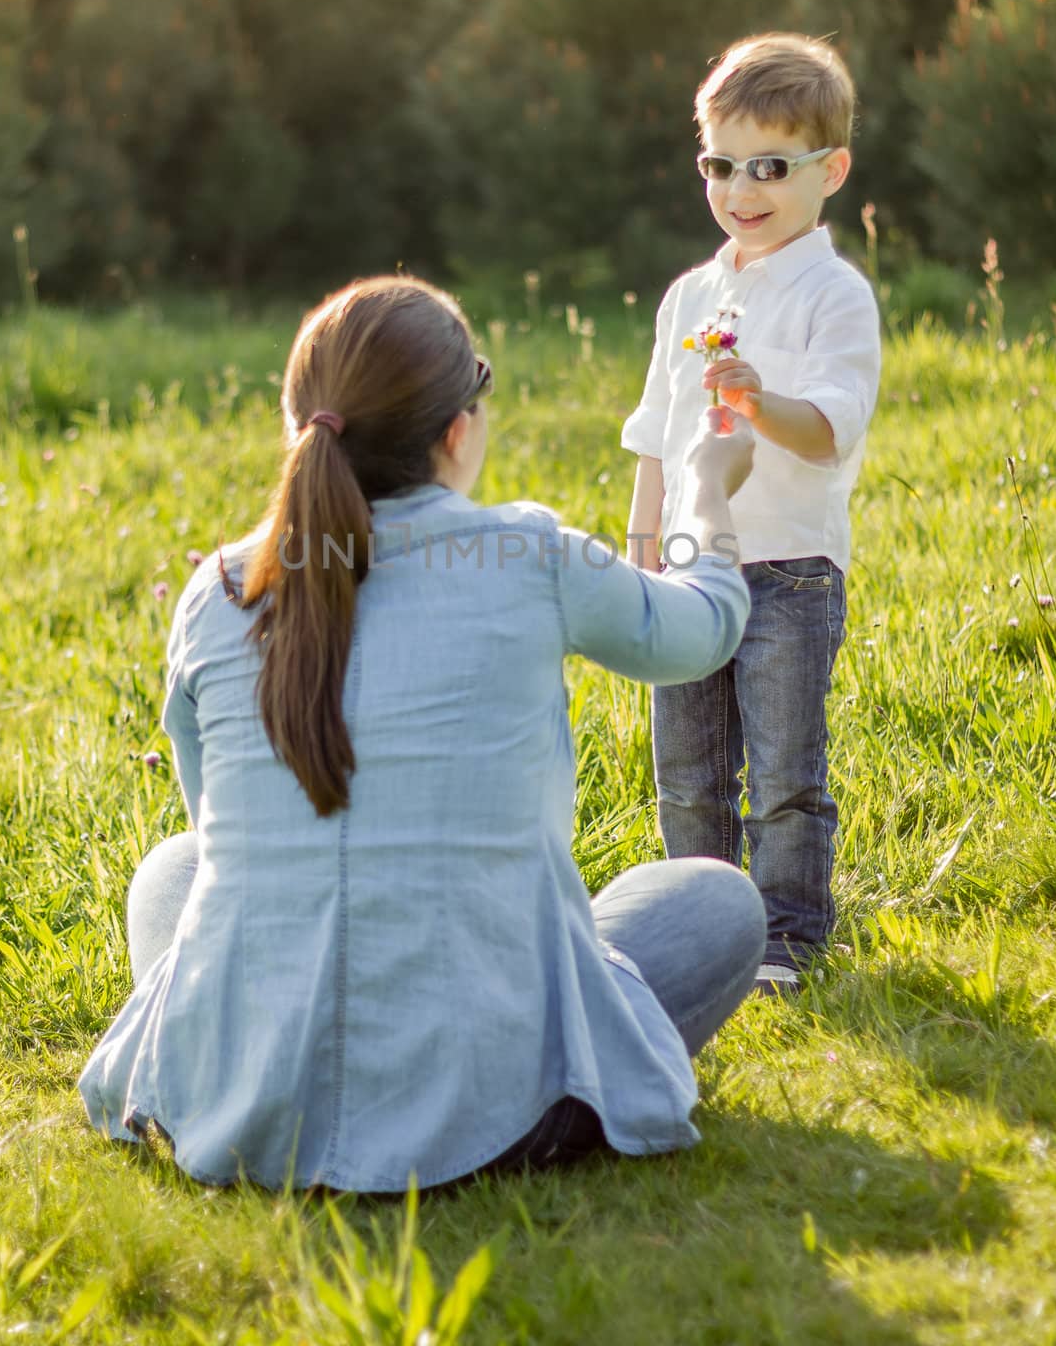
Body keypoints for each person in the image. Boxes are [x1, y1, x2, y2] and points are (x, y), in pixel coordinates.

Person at [80, 275, 766, 1192]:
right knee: (716, 902)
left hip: (250, 1101)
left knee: (176, 867)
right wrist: (706, 497)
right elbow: (705, 627)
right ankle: (540, 1071)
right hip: (492, 1099)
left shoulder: (218, 592)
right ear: (458, 429)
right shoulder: (530, 553)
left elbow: (223, 832)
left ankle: (236, 1063)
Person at [623, 32, 881, 998]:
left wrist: (757, 400)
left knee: (782, 777)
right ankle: (694, 926)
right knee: (688, 773)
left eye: (771, 166)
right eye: (721, 165)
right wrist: (644, 554)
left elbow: (826, 432)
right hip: (692, 568)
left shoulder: (834, 295)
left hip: (789, 571)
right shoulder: (691, 294)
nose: (743, 188)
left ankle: (782, 940)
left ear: (832, 171)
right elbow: (656, 436)